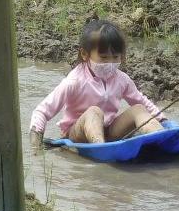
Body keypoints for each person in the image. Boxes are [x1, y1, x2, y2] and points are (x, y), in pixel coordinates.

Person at [29, 19, 169, 148]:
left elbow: (141, 101)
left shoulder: (122, 79)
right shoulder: (74, 81)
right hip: (77, 134)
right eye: (104, 57)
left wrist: (163, 120)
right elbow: (43, 111)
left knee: (138, 108)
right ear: (85, 54)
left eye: (115, 57)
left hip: (110, 131)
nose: (110, 63)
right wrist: (36, 139)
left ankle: (161, 137)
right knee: (94, 111)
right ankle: (100, 148)